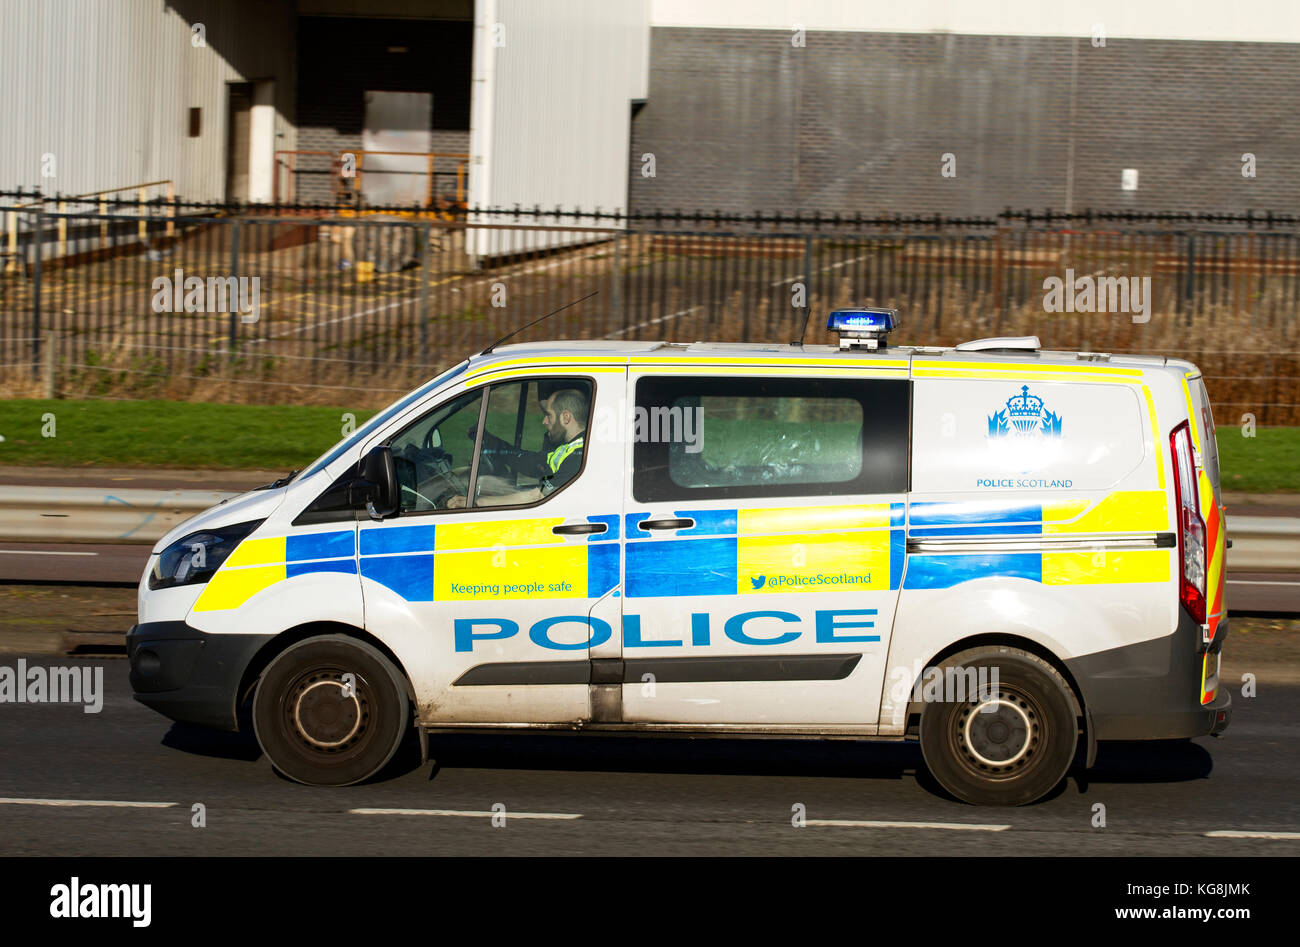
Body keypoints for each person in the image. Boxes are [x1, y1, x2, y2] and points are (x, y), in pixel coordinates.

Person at [447, 388, 588, 508]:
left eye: (548, 415)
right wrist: (491, 443)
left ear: (566, 417)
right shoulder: (572, 447)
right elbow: (533, 462)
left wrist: (476, 502)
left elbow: (537, 496)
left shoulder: (579, 456)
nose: (544, 421)